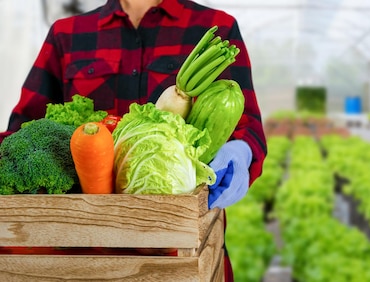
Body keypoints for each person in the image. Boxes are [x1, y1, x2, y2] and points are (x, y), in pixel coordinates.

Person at [0, 0, 267, 281]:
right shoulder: (67, 34)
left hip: (180, 249)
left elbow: (246, 125)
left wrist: (242, 152)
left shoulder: (216, 29)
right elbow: (23, 127)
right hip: (85, 252)